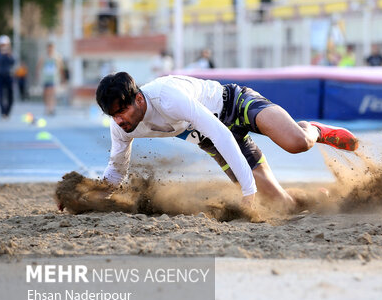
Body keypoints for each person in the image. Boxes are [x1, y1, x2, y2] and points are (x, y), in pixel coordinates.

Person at [96, 72, 359, 213]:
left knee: (297, 142)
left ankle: (314, 129)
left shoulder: (167, 97)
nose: (119, 121)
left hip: (233, 104)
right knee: (283, 206)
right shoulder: (121, 128)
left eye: (121, 112)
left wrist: (248, 190)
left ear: (139, 100)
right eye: (113, 115)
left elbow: (221, 132)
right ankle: (317, 201)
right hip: (210, 137)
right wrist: (89, 198)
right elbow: (116, 170)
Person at [37, 42, 63, 116]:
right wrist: (38, 75)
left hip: (54, 78)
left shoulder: (57, 56)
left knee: (52, 94)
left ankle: (52, 108)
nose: (50, 49)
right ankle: (47, 107)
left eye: (51, 47)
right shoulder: (43, 56)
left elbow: (61, 67)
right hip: (45, 78)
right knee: (46, 93)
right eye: (49, 47)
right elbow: (39, 65)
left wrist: (62, 78)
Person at [0, 35, 15, 120]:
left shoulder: (10, 53)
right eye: (2, 45)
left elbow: (13, 62)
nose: (4, 47)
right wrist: (2, 54)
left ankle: (7, 112)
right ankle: (3, 112)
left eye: (5, 45)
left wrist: (9, 54)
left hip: (9, 75)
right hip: (0, 76)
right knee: (0, 95)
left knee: (10, 95)